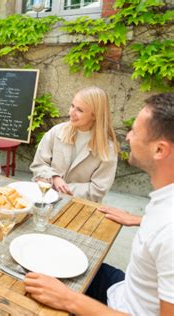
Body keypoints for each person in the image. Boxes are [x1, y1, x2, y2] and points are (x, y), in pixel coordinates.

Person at [24, 93, 174, 315]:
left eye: (135, 131)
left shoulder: (169, 230)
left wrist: (69, 300)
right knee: (40, 263)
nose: (128, 137)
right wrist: (141, 220)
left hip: (119, 307)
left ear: (160, 149)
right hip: (122, 290)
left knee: (31, 299)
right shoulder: (164, 202)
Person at [30, 86, 119, 202]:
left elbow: (98, 189)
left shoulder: (108, 149)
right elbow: (38, 164)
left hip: (79, 206)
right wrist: (54, 177)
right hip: (45, 198)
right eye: (72, 106)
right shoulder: (57, 132)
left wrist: (62, 189)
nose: (71, 113)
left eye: (80, 110)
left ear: (95, 115)